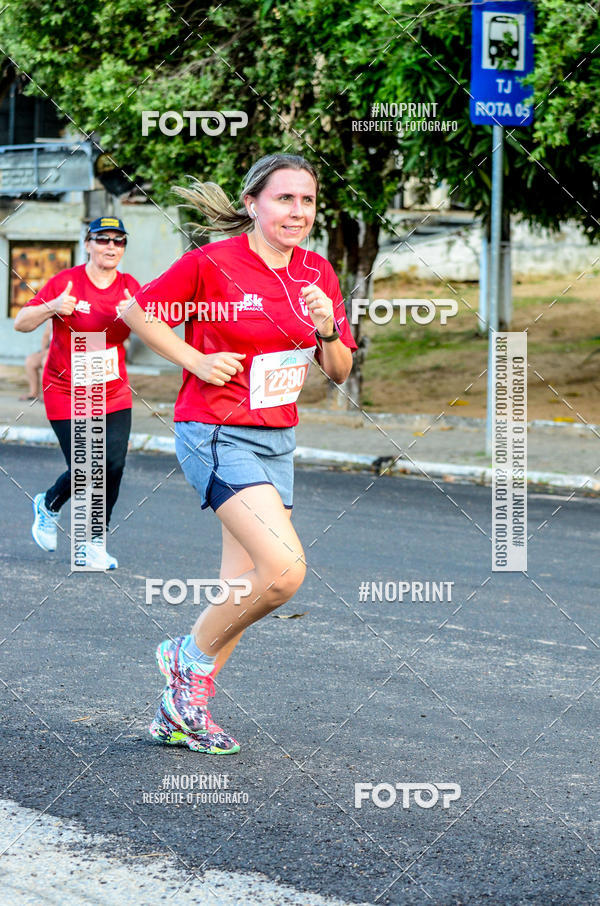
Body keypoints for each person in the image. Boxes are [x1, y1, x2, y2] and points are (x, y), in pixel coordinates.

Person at [123, 153, 357, 755]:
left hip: (278, 437)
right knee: (283, 572)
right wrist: (194, 360)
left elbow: (338, 370)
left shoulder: (317, 271)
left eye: (306, 200)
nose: (297, 212)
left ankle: (180, 714)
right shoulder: (212, 263)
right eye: (284, 199)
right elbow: (135, 311)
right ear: (253, 203)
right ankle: (184, 658)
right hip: (215, 430)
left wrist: (328, 329)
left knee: (241, 585)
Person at [14, 216, 140, 569]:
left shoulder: (130, 287)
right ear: (88, 244)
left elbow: (154, 326)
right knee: (87, 466)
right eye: (103, 240)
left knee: (112, 465)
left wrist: (136, 318)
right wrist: (52, 307)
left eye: (119, 241)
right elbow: (21, 323)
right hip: (65, 388)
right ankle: (49, 502)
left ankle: (94, 543)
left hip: (112, 390)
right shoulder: (66, 281)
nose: (111, 247)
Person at [19, 321, 52, 401]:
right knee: (30, 361)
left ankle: (48, 395)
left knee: (46, 361)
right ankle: (34, 393)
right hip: (50, 349)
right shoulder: (52, 317)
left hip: (64, 350)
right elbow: (46, 335)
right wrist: (44, 351)